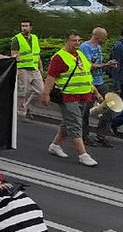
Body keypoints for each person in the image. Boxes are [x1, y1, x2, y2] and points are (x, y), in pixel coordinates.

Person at [41, 30, 101, 167]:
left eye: (79, 40)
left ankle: (55, 145)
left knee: (68, 122)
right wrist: (46, 94)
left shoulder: (80, 55)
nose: (77, 43)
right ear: (66, 41)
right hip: (69, 96)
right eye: (74, 40)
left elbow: (86, 75)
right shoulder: (59, 57)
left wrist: (96, 93)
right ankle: (83, 155)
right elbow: (51, 77)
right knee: (75, 124)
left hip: (84, 95)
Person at [80, 27, 116, 147]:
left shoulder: (99, 47)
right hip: (89, 83)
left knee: (111, 106)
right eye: (104, 37)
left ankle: (101, 135)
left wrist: (108, 66)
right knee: (86, 111)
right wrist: (105, 64)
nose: (106, 39)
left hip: (100, 82)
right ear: (98, 37)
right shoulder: (85, 47)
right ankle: (84, 136)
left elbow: (98, 64)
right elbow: (88, 66)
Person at [11, 20, 44, 120]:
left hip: (34, 69)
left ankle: (25, 106)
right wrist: (15, 69)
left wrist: (40, 67)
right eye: (22, 26)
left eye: (26, 26)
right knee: (22, 92)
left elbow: (37, 54)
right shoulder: (17, 39)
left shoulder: (34, 38)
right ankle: (21, 113)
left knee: (42, 91)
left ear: (31, 27)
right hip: (22, 69)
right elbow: (13, 55)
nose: (24, 28)